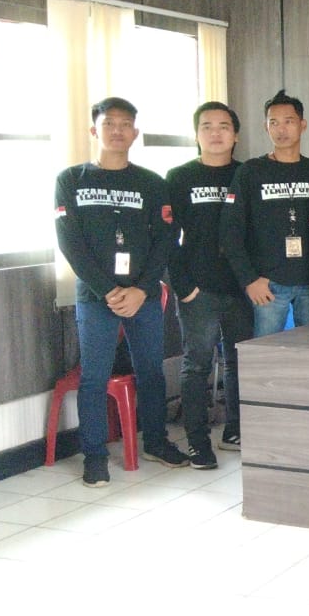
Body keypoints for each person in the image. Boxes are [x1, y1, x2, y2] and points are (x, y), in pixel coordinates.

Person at [55, 97, 188, 487]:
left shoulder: (152, 183)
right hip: (97, 297)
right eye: (109, 123)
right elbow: (70, 242)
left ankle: (156, 442)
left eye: (125, 124)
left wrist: (142, 290)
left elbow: (166, 239)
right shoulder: (71, 179)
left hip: (142, 296)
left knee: (151, 372)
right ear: (94, 130)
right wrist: (109, 290)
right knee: (93, 377)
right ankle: (94, 457)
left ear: (135, 132)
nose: (117, 130)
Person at [166, 101, 253, 468]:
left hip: (241, 287)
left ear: (236, 135)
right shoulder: (179, 177)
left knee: (239, 362)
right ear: (196, 134)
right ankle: (198, 442)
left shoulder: (247, 173)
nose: (215, 133)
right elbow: (168, 238)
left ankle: (235, 430)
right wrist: (183, 286)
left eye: (223, 126)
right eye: (207, 126)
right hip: (197, 288)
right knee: (197, 365)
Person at [221, 89, 309, 348]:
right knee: (264, 357)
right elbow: (230, 230)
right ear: (266, 127)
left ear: (303, 125)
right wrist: (249, 280)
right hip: (268, 285)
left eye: (289, 121)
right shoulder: (251, 171)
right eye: (274, 122)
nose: (281, 129)